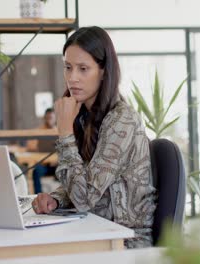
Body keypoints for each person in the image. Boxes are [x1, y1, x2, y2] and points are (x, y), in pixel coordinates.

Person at [31, 26, 156, 248]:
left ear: (104, 71)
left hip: (126, 240)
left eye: (83, 69)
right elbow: (85, 180)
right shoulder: (84, 116)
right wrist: (56, 198)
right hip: (94, 230)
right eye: (68, 68)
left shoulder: (122, 121)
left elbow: (84, 198)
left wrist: (65, 132)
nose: (72, 78)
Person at [26, 108, 57, 194]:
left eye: (51, 118)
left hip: (57, 164)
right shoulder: (38, 132)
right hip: (44, 165)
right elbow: (30, 148)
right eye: (47, 118)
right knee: (36, 171)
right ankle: (38, 196)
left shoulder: (59, 132)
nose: (49, 120)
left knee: (67, 170)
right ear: (44, 118)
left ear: (55, 118)